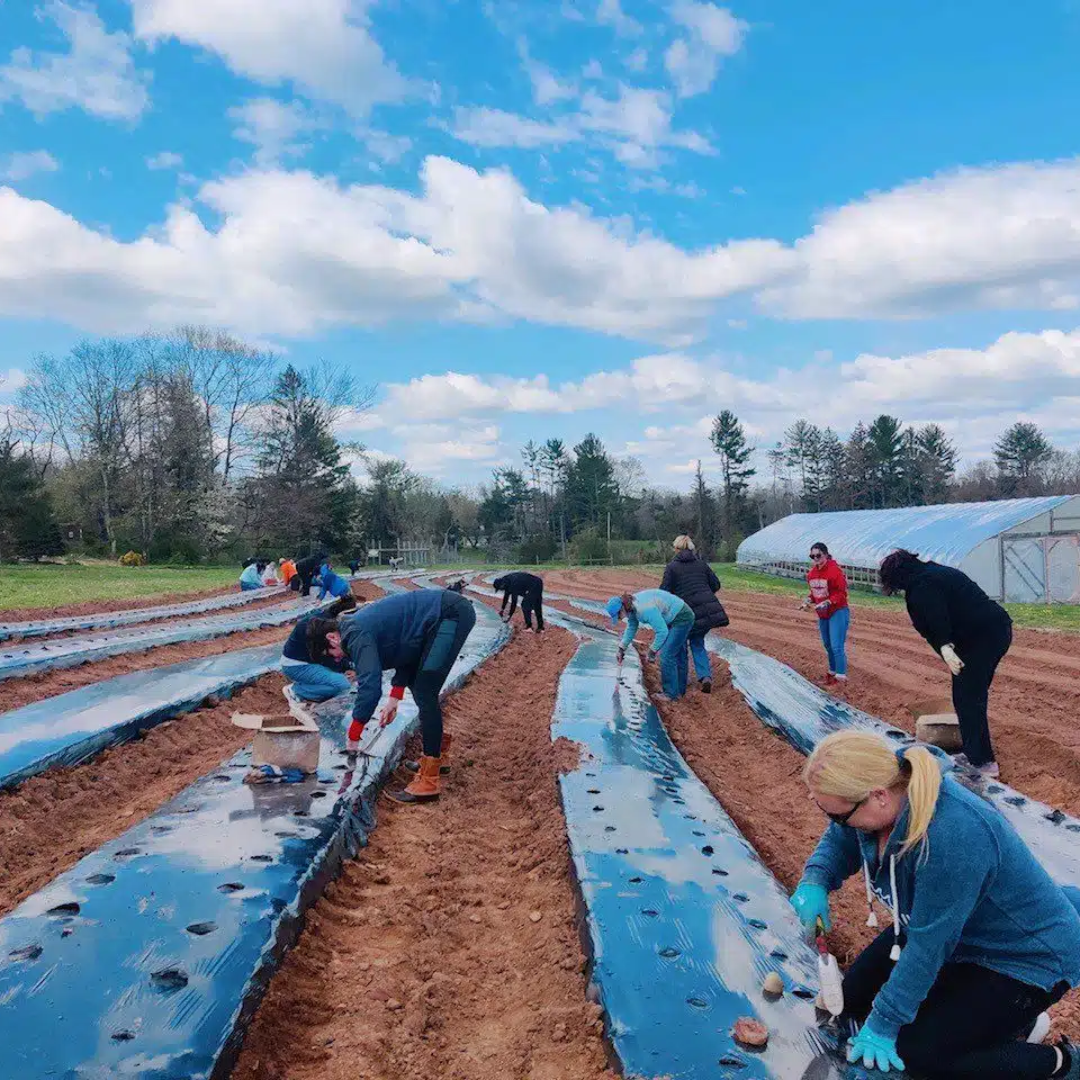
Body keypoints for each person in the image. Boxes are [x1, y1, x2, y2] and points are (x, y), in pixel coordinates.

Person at [790, 730, 1080, 1079]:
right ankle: (1007, 1023)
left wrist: (884, 1024)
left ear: (878, 797)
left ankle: (1061, 1063)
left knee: (919, 1055)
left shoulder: (953, 837)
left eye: (838, 815)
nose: (836, 823)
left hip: (1024, 956)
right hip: (958, 931)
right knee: (852, 1000)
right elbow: (842, 836)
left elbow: (929, 948)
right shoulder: (884, 789)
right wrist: (816, 879)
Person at [305, 588, 476, 803]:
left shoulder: (355, 633)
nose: (337, 659)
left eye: (330, 653)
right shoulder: (355, 628)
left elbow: (370, 686)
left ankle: (429, 780)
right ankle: (436, 757)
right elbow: (408, 651)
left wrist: (354, 734)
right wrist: (394, 698)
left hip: (450, 614)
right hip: (439, 618)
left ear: (332, 638)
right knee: (419, 686)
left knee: (425, 691)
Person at [879, 549, 1012, 779]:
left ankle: (984, 763)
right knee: (968, 696)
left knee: (969, 698)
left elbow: (936, 617)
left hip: (983, 637)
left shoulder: (923, 584)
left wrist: (944, 645)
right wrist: (946, 646)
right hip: (989, 632)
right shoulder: (932, 573)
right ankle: (974, 753)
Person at [660, 535, 729, 693]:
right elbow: (716, 584)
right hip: (705, 612)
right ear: (691, 548)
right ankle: (705, 676)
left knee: (681, 647)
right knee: (698, 644)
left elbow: (664, 593)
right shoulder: (701, 564)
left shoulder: (671, 567)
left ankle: (680, 686)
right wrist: (703, 595)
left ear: (676, 549)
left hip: (683, 614)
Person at [606, 589, 694, 700]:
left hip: (682, 617)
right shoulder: (631, 607)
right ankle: (679, 690)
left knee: (667, 654)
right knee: (677, 652)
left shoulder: (644, 609)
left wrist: (652, 651)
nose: (619, 619)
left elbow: (662, 632)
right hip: (674, 615)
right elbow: (632, 627)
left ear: (622, 608)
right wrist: (621, 648)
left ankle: (670, 694)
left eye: (618, 616)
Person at [801, 542, 850, 685]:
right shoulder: (811, 574)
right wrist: (808, 601)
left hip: (837, 611)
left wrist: (828, 602)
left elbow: (841, 593)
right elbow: (815, 593)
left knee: (836, 646)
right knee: (828, 645)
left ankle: (841, 677)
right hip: (823, 614)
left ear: (826, 554)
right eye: (812, 556)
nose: (815, 558)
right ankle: (832, 672)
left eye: (818, 555)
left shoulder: (835, 572)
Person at [281, 607, 353, 702]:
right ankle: (297, 691)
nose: (341, 656)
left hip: (311, 661)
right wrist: (343, 670)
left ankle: (310, 686)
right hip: (297, 666)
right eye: (342, 654)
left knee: (341, 679)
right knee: (342, 684)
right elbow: (325, 658)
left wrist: (348, 668)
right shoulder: (311, 631)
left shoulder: (333, 629)